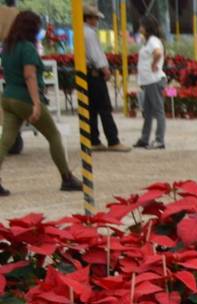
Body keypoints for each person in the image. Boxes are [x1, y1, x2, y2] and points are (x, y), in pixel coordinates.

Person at [0, 11, 83, 197]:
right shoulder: (27, 48)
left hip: (8, 97)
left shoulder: (8, 47)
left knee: (5, 141)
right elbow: (29, 76)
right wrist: (36, 103)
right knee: (53, 135)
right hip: (25, 99)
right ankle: (67, 177)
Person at [83, 4, 130, 152]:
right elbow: (96, 55)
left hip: (87, 74)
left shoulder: (80, 32)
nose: (96, 21)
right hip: (95, 74)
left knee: (91, 109)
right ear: (88, 18)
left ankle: (94, 139)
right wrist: (105, 69)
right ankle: (113, 140)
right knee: (104, 108)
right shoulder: (89, 33)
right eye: (95, 18)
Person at [134, 16, 166, 149]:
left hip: (154, 80)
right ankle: (144, 138)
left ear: (147, 27)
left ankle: (159, 140)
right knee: (147, 111)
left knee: (158, 111)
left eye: (142, 25)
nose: (140, 27)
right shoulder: (147, 41)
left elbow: (158, 53)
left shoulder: (153, 40)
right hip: (148, 81)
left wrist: (154, 64)